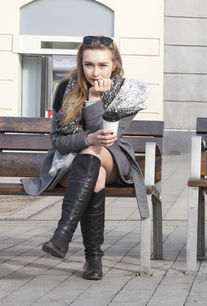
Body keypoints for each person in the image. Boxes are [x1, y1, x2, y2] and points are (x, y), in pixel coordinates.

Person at [22, 35, 148, 280]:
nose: (95, 72)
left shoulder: (126, 92)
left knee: (94, 153)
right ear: (80, 64)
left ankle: (63, 235)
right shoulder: (65, 89)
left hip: (112, 157)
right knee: (94, 173)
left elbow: (106, 136)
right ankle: (93, 260)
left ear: (115, 65)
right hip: (70, 163)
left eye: (102, 65)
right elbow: (58, 140)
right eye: (89, 65)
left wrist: (94, 100)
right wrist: (86, 140)